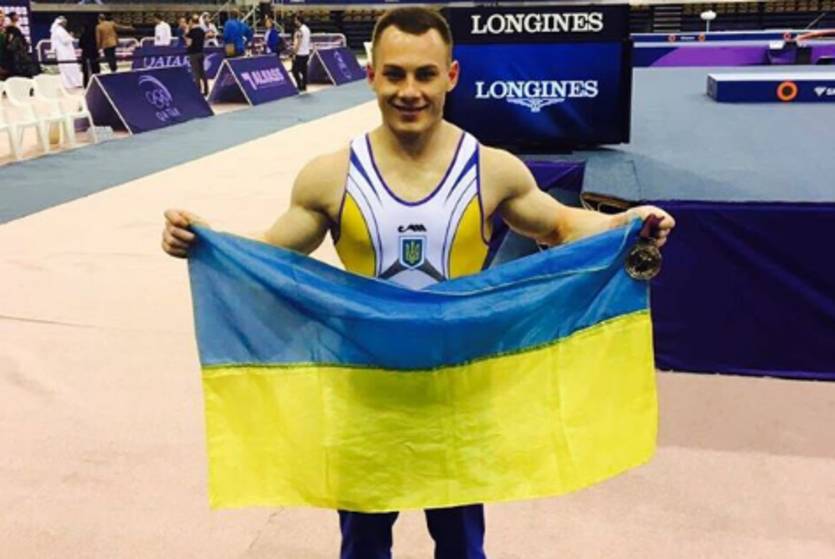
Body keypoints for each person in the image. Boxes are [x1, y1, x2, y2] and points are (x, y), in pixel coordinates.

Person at [161, 7, 674, 559]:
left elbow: (560, 226)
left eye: (425, 74)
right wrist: (207, 240)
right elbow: (269, 251)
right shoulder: (330, 176)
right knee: (363, 547)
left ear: (451, 76)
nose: (410, 91)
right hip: (365, 391)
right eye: (395, 74)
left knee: (461, 546)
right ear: (371, 75)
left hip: (456, 390)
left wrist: (624, 224)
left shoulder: (492, 169)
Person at [50, 16, 82, 89]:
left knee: (67, 68)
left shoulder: (59, 30)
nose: (66, 24)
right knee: (69, 67)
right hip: (65, 53)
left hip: (64, 52)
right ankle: (73, 83)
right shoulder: (59, 30)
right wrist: (71, 36)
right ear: (61, 23)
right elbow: (65, 41)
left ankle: (71, 83)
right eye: (64, 22)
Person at [3, 12, 37, 78]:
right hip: (16, 52)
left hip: (21, 50)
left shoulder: (17, 26)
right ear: (13, 17)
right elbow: (10, 40)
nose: (18, 16)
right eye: (16, 15)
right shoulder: (11, 28)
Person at [185, 14, 207, 96]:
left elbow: (188, 44)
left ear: (191, 22)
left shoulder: (191, 32)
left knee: (196, 73)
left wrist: (186, 34)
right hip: (201, 52)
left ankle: (198, 91)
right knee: (202, 72)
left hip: (193, 53)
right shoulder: (202, 31)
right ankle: (206, 90)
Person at [78, 14, 100, 87]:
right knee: (95, 69)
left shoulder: (83, 35)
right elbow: (98, 42)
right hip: (94, 53)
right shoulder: (94, 34)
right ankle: (97, 83)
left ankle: (86, 85)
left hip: (86, 53)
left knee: (85, 71)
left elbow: (80, 45)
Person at [290, 14, 310, 92]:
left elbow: (298, 43)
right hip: (306, 53)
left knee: (294, 70)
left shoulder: (300, 31)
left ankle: (299, 85)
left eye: (295, 20)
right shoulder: (307, 29)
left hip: (300, 54)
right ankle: (304, 86)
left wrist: (294, 53)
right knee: (304, 71)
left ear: (298, 21)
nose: (294, 22)